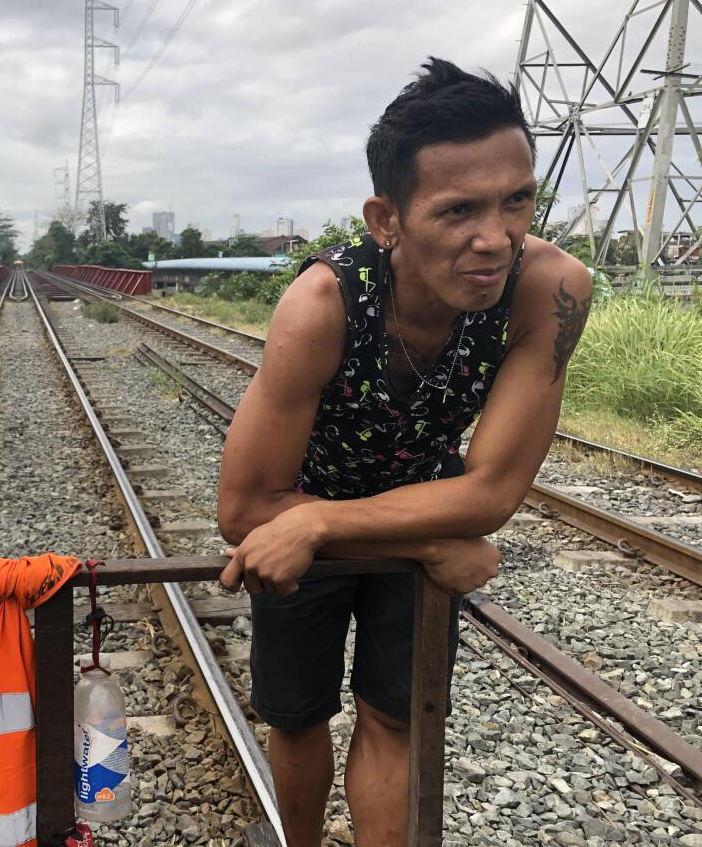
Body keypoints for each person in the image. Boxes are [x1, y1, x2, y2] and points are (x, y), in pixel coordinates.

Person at [217, 58, 592, 846]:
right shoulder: (322, 305)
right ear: (386, 220)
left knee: (396, 716)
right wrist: (429, 537)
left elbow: (491, 493)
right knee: (297, 715)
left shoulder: (551, 289)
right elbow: (246, 509)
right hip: (325, 513)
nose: (495, 239)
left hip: (355, 513)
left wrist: (329, 525)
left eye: (516, 201)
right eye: (458, 211)